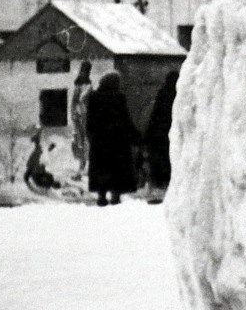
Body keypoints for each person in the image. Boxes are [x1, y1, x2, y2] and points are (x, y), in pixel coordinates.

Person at [85, 72, 139, 206]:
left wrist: (92, 136)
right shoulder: (118, 97)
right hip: (117, 142)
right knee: (116, 170)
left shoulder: (94, 97)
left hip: (100, 142)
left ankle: (101, 196)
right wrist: (135, 137)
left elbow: (90, 121)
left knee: (101, 169)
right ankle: (115, 196)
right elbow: (125, 120)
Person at [145, 70, 178, 201]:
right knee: (170, 161)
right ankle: (168, 186)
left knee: (159, 160)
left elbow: (155, 114)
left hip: (159, 134)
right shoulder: (178, 95)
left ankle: (158, 187)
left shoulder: (162, 93)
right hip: (171, 133)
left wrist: (148, 133)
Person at [70, 60, 94, 170]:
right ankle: (82, 164)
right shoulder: (78, 87)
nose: (84, 73)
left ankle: (88, 164)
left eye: (86, 71)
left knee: (87, 140)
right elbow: (74, 102)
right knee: (79, 140)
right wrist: (74, 114)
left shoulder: (90, 87)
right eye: (83, 71)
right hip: (79, 116)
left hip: (88, 116)